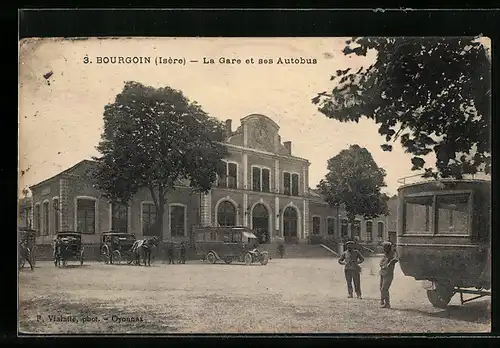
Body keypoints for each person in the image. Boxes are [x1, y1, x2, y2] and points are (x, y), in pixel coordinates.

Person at [379, 241, 399, 308]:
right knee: (381, 288)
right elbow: (381, 263)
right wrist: (383, 265)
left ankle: (387, 303)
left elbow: (396, 259)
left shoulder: (392, 254)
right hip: (382, 273)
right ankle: (383, 301)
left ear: (388, 248)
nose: (383, 249)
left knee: (384, 289)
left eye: (384, 247)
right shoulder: (385, 254)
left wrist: (390, 263)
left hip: (388, 274)